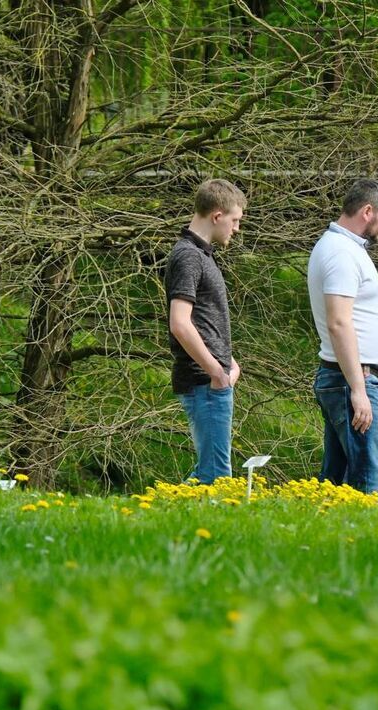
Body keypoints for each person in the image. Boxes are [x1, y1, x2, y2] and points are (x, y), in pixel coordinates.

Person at [307, 178, 378, 495]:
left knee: (336, 480)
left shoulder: (344, 248)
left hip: (349, 378)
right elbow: (339, 322)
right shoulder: (340, 253)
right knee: (371, 482)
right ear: (367, 211)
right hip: (352, 379)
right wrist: (358, 390)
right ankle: (371, 543)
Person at [165, 178, 246, 485]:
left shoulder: (202, 255)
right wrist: (215, 370)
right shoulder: (188, 256)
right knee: (216, 478)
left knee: (208, 473)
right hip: (205, 383)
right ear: (217, 216)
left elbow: (203, 320)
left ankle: (166, 516)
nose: (236, 229)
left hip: (213, 380)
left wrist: (229, 361)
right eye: (234, 220)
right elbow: (180, 323)